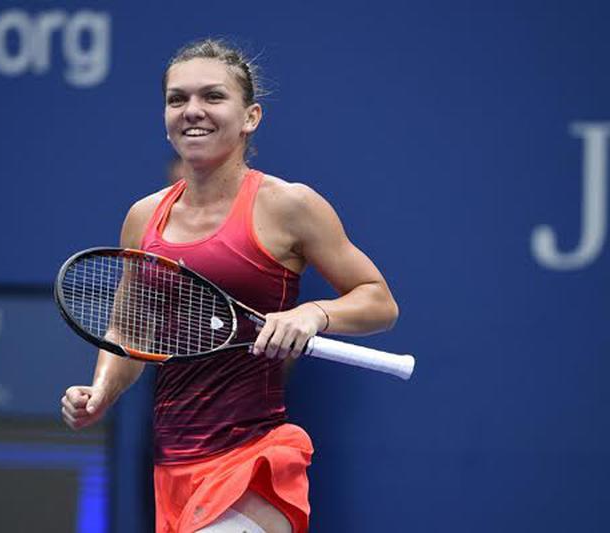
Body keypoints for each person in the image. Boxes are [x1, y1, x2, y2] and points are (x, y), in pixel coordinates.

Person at [61, 38, 399, 533]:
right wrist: (102, 390)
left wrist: (315, 314)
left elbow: (378, 300)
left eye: (213, 97)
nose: (192, 111)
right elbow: (130, 329)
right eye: (177, 99)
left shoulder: (290, 205)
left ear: (250, 117)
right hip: (171, 465)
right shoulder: (143, 217)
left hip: (254, 458)